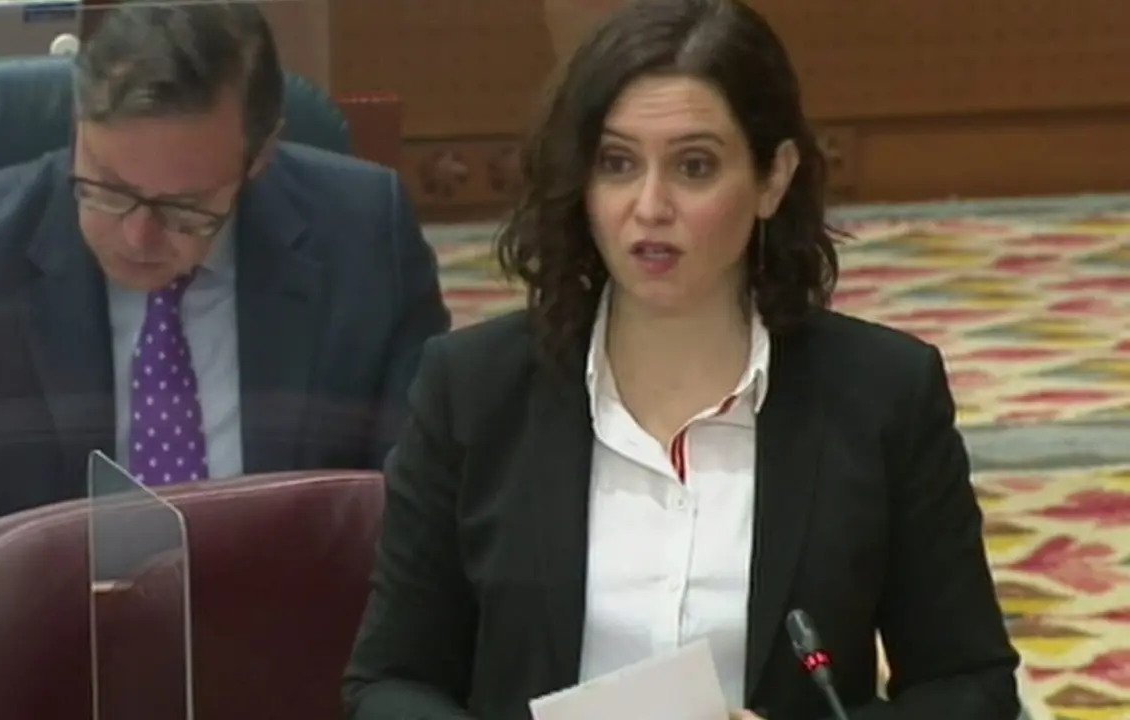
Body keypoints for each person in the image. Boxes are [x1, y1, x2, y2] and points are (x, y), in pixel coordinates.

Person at [342, 0, 1019, 718]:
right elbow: (389, 683)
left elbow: (969, 687)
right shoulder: (473, 389)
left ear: (773, 178)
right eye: (617, 164)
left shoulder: (884, 394)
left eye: (694, 167)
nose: (649, 205)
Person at [0, 1, 449, 594]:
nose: (138, 236)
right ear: (77, 127)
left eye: (183, 207)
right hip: (40, 631)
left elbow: (427, 484)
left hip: (287, 618)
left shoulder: (364, 237)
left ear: (260, 158)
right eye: (108, 190)